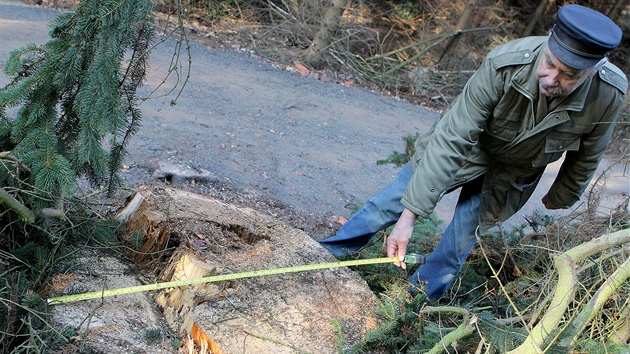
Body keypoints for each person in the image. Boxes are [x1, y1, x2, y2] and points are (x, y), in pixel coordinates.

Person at [319, 4, 627, 301]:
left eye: (568, 74)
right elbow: (453, 138)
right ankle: (327, 254)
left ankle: (409, 303)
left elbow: (589, 151)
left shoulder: (609, 93)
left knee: (458, 245)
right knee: (392, 202)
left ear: (592, 72)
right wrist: (409, 215)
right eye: (549, 63)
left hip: (513, 173)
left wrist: (563, 194)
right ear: (547, 44)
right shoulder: (506, 63)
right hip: (468, 148)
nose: (551, 79)